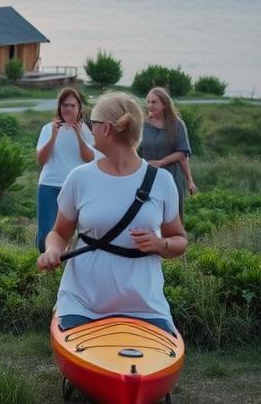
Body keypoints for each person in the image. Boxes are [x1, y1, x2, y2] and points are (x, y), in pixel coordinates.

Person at [37, 92, 187, 334]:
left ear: (106, 129)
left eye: (92, 124)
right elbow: (58, 233)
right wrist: (53, 250)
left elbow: (180, 241)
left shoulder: (161, 181)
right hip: (82, 304)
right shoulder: (80, 178)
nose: (89, 128)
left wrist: (161, 244)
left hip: (145, 308)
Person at [35, 88, 97, 253]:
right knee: (44, 237)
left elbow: (90, 159)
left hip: (77, 188)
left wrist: (79, 136)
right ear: (59, 107)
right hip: (49, 185)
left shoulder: (86, 130)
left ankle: (68, 264)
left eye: (72, 105)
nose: (68, 109)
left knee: (81, 234)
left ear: (79, 108)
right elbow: (41, 160)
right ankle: (49, 264)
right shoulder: (48, 128)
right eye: (64, 105)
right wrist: (54, 137)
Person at [139, 87, 197, 221]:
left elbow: (183, 154)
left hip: (171, 177)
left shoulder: (177, 125)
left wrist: (190, 181)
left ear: (164, 104)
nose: (150, 105)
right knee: (148, 216)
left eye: (154, 102)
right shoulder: (142, 125)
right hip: (147, 177)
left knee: (172, 217)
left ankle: (173, 241)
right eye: (148, 101)